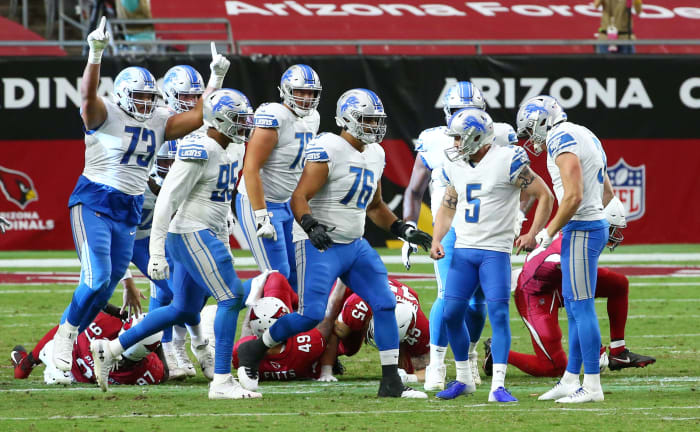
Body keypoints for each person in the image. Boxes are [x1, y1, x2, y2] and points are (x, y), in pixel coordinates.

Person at [51, 19, 230, 374]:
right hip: (96, 200)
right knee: (97, 277)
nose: (147, 104)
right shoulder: (105, 112)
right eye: (140, 97)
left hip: (130, 209)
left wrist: (216, 80)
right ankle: (64, 337)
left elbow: (197, 116)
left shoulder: (159, 119)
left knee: (104, 289)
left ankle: (72, 339)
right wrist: (95, 53)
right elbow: (86, 96)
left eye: (151, 97)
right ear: (120, 95)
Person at [235, 88, 432, 399]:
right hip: (321, 245)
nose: (373, 126)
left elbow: (375, 206)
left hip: (355, 244)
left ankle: (391, 380)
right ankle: (254, 351)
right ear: (347, 119)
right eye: (366, 120)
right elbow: (299, 197)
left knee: (384, 302)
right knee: (311, 314)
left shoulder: (375, 154)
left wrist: (401, 228)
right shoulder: (328, 146)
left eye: (376, 120)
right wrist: (311, 226)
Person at [89, 88, 258, 400]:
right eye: (238, 118)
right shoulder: (199, 149)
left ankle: (110, 349)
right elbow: (167, 201)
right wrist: (156, 252)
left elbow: (219, 205)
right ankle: (221, 380)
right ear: (219, 119)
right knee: (231, 296)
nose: (245, 124)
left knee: (183, 308)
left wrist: (223, 241)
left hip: (209, 231)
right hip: (190, 231)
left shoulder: (234, 149)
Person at [402, 81, 520, 391]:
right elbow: (414, 189)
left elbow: (524, 181)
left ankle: (466, 362)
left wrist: (517, 212)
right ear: (447, 113)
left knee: (481, 303)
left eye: (472, 112)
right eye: (458, 112)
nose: (464, 119)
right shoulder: (434, 140)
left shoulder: (501, 135)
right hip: (452, 227)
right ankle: (437, 365)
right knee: (447, 297)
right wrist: (408, 230)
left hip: (490, 228)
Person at [430, 108, 553, 402]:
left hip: (494, 253)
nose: (456, 144)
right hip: (463, 251)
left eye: (460, 137)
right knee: (450, 313)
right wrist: (436, 237)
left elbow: (545, 194)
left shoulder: (507, 160)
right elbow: (448, 205)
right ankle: (463, 378)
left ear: (476, 136)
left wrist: (534, 233)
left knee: (498, 315)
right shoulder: (456, 166)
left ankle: (498, 385)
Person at [516, 95, 615, 403]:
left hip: (583, 227)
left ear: (544, 121)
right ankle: (571, 378)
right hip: (586, 225)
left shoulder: (561, 138)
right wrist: (605, 218)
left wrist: (547, 232)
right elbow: (607, 189)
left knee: (581, 306)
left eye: (531, 130)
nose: (531, 138)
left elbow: (572, 197)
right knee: (573, 306)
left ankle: (593, 385)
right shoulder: (583, 132)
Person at [497, 196, 656, 378]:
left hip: (558, 280)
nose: (614, 234)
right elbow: (575, 296)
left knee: (618, 284)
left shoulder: (580, 231)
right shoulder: (568, 246)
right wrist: (595, 348)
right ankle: (497, 352)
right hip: (535, 292)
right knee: (553, 367)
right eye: (612, 229)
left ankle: (618, 352)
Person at [237, 65, 322, 293]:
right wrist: (261, 215)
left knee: (298, 273)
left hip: (287, 203)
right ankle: (227, 300)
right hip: (261, 202)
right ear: (285, 91)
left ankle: (289, 328)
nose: (306, 98)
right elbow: (251, 168)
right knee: (277, 277)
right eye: (300, 91)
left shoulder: (313, 118)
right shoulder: (275, 116)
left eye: (311, 92)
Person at [11, 304, 166, 386]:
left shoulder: (105, 323)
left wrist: (115, 311)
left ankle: (26, 364)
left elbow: (89, 305)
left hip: (66, 363)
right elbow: (164, 374)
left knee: (67, 329)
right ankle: (28, 364)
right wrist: (157, 344)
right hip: (76, 367)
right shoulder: (151, 371)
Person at [318, 279, 430, 383]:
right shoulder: (358, 305)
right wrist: (326, 370)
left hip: (393, 298)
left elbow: (430, 371)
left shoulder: (420, 329)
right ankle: (318, 360)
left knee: (405, 368)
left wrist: (408, 377)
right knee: (349, 345)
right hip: (357, 291)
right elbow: (334, 331)